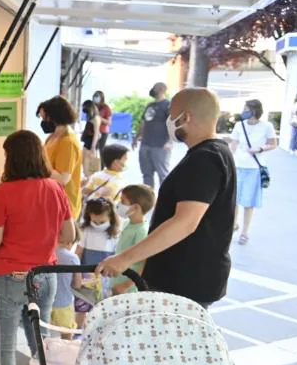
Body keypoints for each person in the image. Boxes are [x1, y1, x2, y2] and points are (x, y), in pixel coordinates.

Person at [96, 88, 236, 306]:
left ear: (185, 117)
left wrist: (125, 259)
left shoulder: (204, 160)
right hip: (182, 279)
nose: (168, 121)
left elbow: (185, 222)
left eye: (171, 115)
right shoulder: (214, 154)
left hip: (184, 283)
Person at [0, 130, 74, 365]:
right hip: (46, 276)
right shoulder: (55, 188)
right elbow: (69, 235)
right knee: (42, 343)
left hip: (9, 276)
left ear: (13, 158)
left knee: (5, 347)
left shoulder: (4, 192)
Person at [229, 99, 277, 245]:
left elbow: (273, 144)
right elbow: (233, 144)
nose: (244, 111)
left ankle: (245, 232)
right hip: (238, 165)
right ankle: (233, 225)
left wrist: (260, 149)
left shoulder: (267, 126)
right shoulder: (239, 125)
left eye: (247, 109)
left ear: (255, 110)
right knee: (234, 199)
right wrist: (229, 161)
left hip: (254, 167)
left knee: (248, 201)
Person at [38, 96, 84, 219]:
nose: (43, 122)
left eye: (44, 118)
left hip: (64, 205)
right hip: (51, 200)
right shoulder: (52, 137)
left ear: (55, 117)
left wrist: (38, 165)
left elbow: (63, 178)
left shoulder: (67, 142)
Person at [111, 184, 156, 294]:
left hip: (129, 289)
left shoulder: (141, 231)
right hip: (118, 282)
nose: (119, 204)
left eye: (122, 201)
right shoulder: (127, 223)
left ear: (135, 207)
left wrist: (125, 286)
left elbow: (144, 264)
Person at [135, 82, 172, 188]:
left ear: (161, 89)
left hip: (160, 145)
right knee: (146, 174)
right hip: (145, 143)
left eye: (155, 88)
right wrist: (136, 137)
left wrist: (169, 142)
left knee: (162, 174)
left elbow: (171, 124)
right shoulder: (150, 105)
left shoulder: (167, 105)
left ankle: (164, 200)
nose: (153, 90)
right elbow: (143, 122)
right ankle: (148, 197)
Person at [52, 224, 82, 336]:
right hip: (64, 303)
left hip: (45, 302)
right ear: (70, 242)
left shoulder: (46, 254)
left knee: (42, 334)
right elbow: (77, 284)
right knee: (67, 334)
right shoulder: (73, 258)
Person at [80, 100, 102, 176]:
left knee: (88, 168)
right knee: (85, 166)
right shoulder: (92, 118)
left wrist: (93, 147)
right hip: (87, 143)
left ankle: (88, 184)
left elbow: (96, 134)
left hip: (90, 145)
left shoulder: (96, 118)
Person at [91, 90, 113, 156]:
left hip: (103, 132)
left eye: (97, 96)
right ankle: (92, 165)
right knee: (91, 150)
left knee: (101, 150)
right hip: (93, 131)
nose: (95, 98)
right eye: (94, 96)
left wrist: (99, 118)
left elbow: (109, 123)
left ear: (101, 98)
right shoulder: (92, 106)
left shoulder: (106, 108)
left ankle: (101, 165)